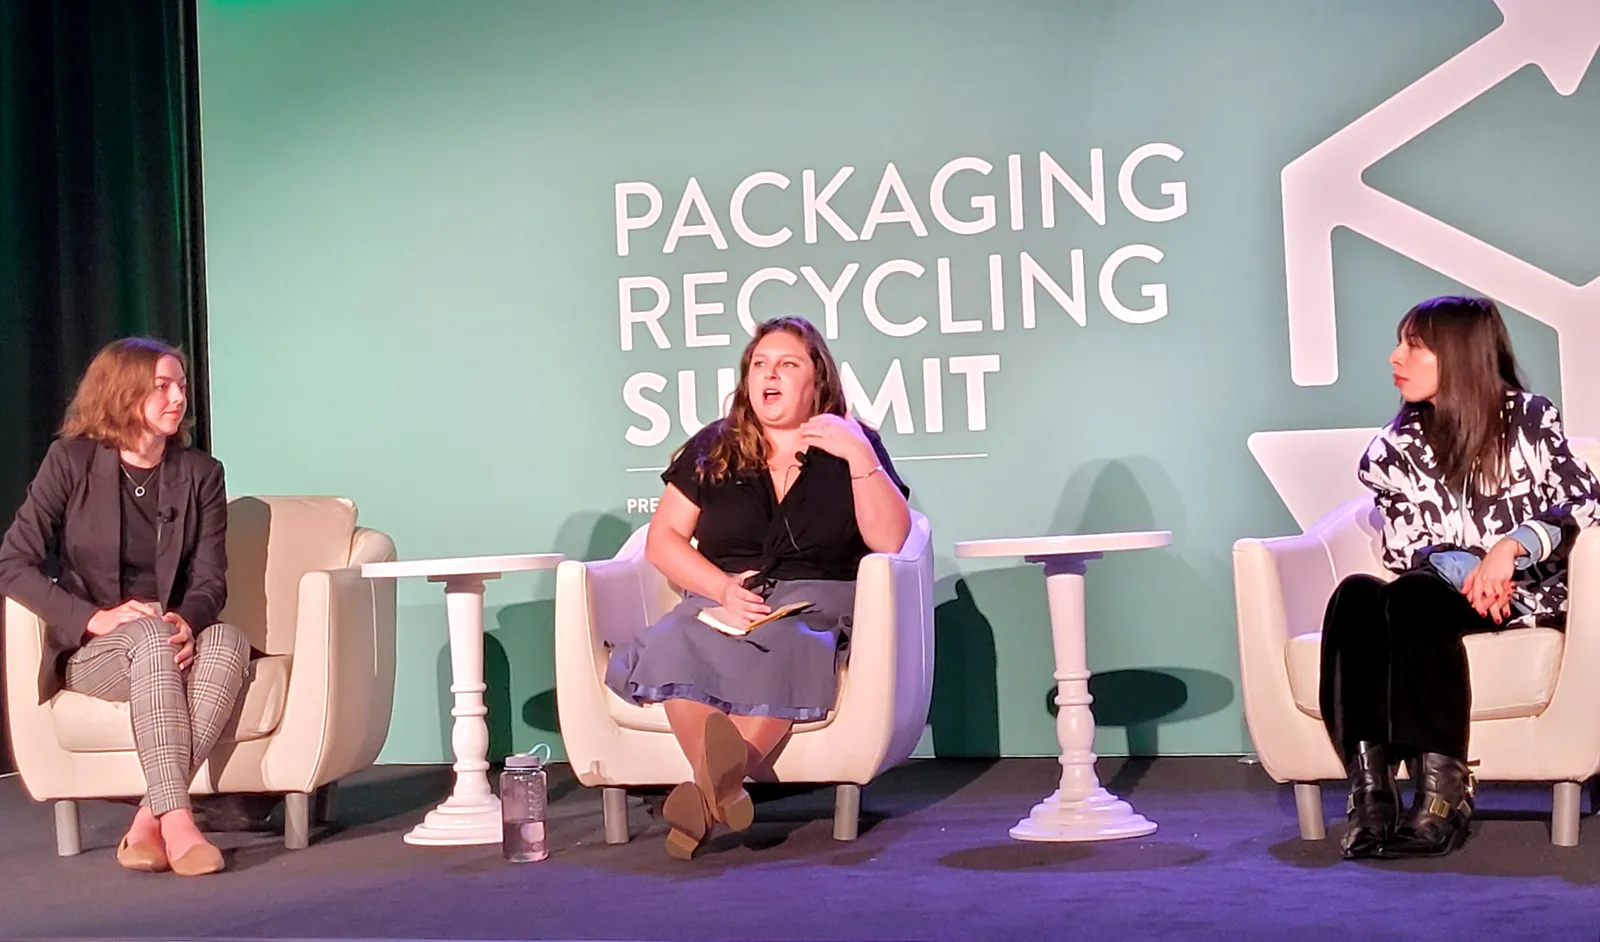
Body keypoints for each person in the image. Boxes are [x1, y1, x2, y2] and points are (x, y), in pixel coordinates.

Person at [605, 315, 912, 859]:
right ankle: (723, 790)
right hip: (723, 601)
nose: (770, 374)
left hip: (814, 602)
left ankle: (703, 798)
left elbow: (890, 539)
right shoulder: (714, 446)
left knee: (795, 643)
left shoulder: (853, 443)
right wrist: (721, 588)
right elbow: (664, 540)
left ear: (817, 379)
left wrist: (860, 455)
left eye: (787, 364)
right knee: (675, 639)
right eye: (760, 365)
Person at [1320, 296, 1600, 860]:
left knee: (1413, 598)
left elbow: (1585, 502)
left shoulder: (1529, 419)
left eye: (1415, 346)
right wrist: (1468, 567)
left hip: (1527, 592)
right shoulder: (1393, 450)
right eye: (1401, 343)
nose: (1395, 357)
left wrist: (1511, 548)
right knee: (1357, 596)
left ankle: (1443, 796)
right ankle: (1372, 794)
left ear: (1460, 355)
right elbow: (1406, 548)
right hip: (1440, 588)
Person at [0, 338, 249, 876]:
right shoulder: (71, 462)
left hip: (166, 633)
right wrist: (94, 618)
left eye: (180, 386)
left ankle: (147, 819)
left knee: (228, 641)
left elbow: (210, 581)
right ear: (122, 392)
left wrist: (189, 619)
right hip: (95, 648)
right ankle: (180, 821)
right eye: (161, 387)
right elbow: (12, 563)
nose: (177, 398)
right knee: (145, 634)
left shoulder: (201, 473)